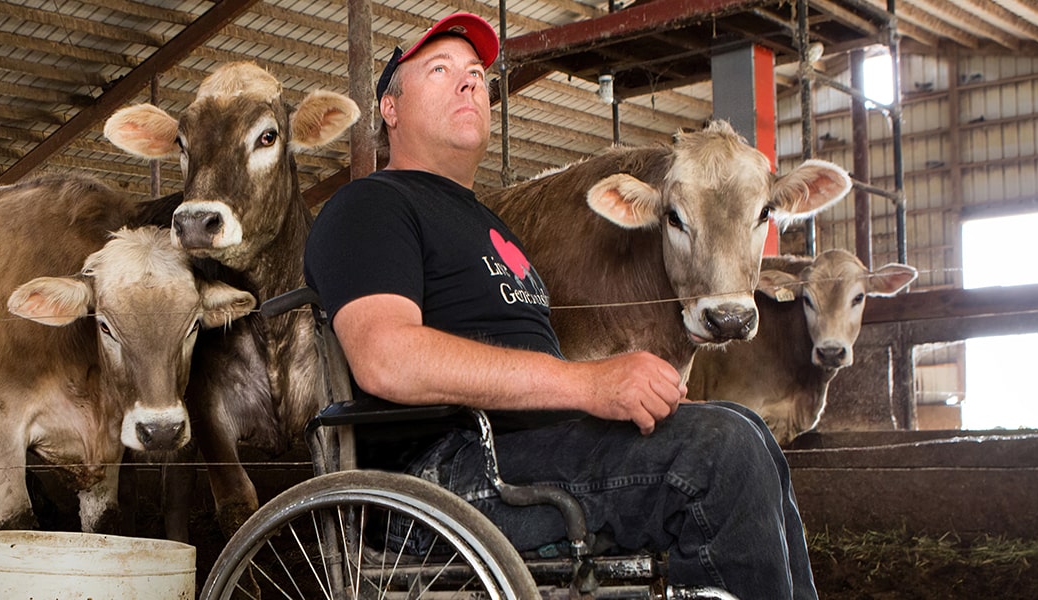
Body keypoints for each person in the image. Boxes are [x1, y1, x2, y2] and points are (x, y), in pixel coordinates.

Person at [302, 12, 818, 599]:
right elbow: (386, 357)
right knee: (721, 454)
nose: (471, 81)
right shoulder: (370, 206)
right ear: (389, 109)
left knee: (744, 427)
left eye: (477, 73)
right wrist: (588, 385)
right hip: (443, 478)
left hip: (530, 455)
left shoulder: (487, 225)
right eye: (441, 70)